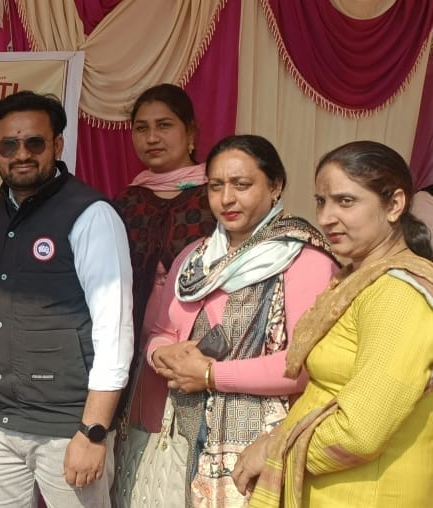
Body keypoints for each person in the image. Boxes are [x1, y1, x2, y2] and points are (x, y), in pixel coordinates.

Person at [145, 135, 337, 507]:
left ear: (275, 186)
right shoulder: (194, 260)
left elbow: (301, 366)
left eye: (242, 184)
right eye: (216, 186)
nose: (227, 199)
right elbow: (160, 332)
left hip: (260, 447)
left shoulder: (305, 261)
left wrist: (209, 375)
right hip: (184, 439)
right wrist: (161, 355)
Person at [244, 141, 433, 507]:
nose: (327, 217)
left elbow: (360, 432)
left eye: (346, 201)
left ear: (395, 204)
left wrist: (274, 450)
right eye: (321, 201)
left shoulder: (398, 293)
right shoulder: (357, 280)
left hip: (369, 494)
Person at [0, 90, 134, 507]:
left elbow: (114, 330)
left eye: (34, 143)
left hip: (68, 427)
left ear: (57, 145)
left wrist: (93, 430)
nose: (21, 154)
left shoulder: (91, 215)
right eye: (10, 145)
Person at [113, 83, 217, 430]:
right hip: (132, 340)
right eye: (141, 128)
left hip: (198, 343)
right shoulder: (126, 201)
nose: (152, 137)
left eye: (164, 125)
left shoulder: (217, 194)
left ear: (191, 133)